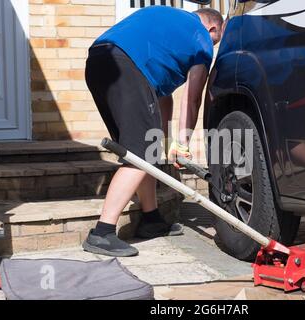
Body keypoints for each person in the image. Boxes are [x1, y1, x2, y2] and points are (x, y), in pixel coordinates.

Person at [82, 6, 224, 257]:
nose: (213, 46)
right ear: (212, 27)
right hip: (127, 67)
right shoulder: (201, 39)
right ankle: (102, 233)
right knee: (140, 154)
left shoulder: (167, 19)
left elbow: (163, 98)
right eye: (217, 39)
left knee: (143, 150)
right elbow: (192, 99)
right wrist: (183, 144)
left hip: (98, 61)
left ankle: (151, 219)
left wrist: (163, 141)